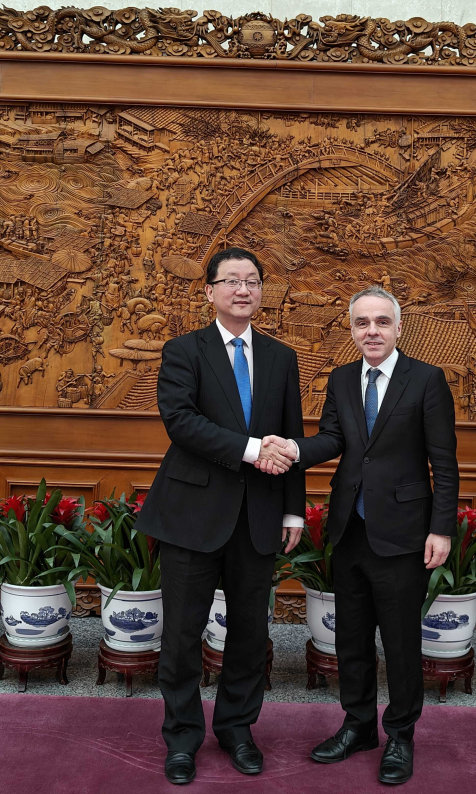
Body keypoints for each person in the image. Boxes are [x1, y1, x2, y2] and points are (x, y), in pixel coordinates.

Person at [258, 285, 459, 786]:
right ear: (351, 330)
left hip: (404, 534)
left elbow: (445, 464)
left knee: (401, 642)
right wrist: (293, 449)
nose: (372, 331)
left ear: (398, 328)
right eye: (362, 323)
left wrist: (441, 528)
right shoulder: (343, 378)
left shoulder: (427, 380)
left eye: (381, 322)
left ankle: (401, 735)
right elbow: (333, 439)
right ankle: (359, 726)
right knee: (350, 638)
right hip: (350, 530)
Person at [136, 247, 305, 785]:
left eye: (252, 280)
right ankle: (182, 738)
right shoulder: (184, 350)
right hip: (191, 516)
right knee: (182, 636)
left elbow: (293, 437)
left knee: (250, 635)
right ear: (209, 291)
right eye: (231, 280)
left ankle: (237, 729)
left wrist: (294, 510)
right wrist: (253, 450)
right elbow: (180, 421)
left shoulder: (281, 357)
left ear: (261, 292)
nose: (242, 289)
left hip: (258, 516)